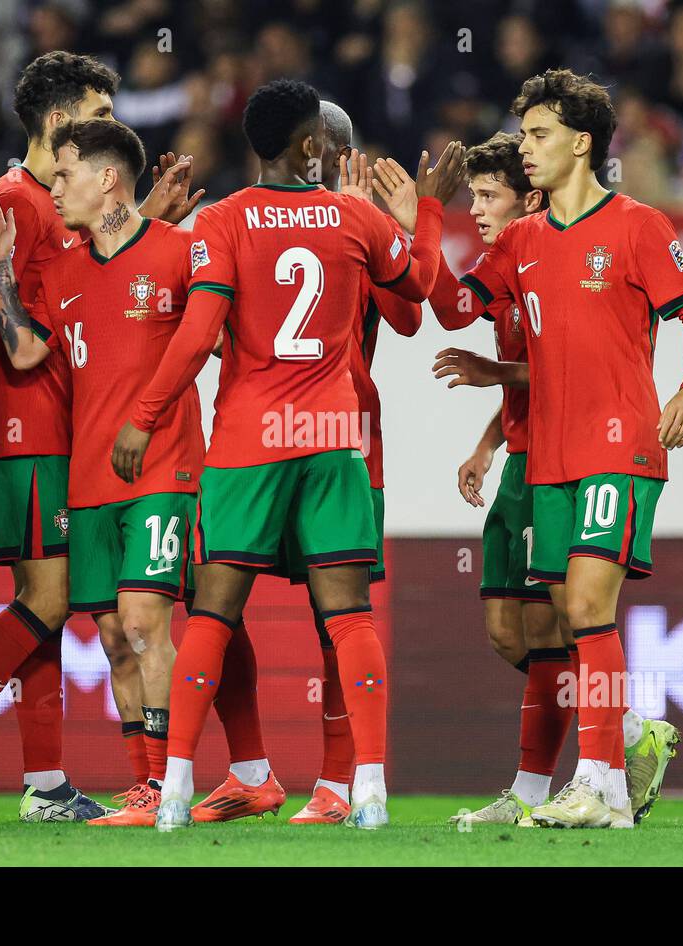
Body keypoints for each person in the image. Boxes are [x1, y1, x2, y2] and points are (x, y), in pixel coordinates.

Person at [111, 78, 463, 830]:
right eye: (332, 146)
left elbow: (200, 331)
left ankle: (176, 785)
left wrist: (144, 415)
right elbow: (422, 288)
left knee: (212, 609)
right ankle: (367, 787)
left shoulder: (224, 220)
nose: (340, 156)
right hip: (338, 437)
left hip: (248, 441)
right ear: (314, 148)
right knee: (348, 616)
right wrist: (421, 215)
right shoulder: (351, 219)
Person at [430, 69, 683, 828]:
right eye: (524, 134)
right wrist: (420, 220)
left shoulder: (638, 226)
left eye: (539, 135)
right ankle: (612, 779)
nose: (525, 148)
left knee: (589, 607)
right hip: (547, 460)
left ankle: (600, 785)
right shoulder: (522, 238)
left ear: (582, 142)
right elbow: (455, 309)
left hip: (619, 447)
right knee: (565, 620)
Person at [0, 117, 205, 826]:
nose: (54, 186)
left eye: (64, 174)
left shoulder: (179, 255)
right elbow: (26, 354)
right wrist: (1, 266)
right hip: (89, 478)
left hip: (162, 467)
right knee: (109, 635)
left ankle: (170, 788)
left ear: (107, 180)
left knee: (141, 622)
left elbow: (217, 339)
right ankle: (143, 787)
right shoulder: (60, 270)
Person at [191, 99, 423, 826]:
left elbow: (411, 314)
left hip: (324, 434)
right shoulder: (332, 223)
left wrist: (393, 227)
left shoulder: (344, 223)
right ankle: (253, 768)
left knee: (325, 618)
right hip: (324, 431)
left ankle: (335, 783)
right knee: (231, 603)